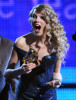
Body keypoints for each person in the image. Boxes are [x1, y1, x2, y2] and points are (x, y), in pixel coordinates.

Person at [4, 4, 69, 100]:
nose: (36, 20)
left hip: (48, 96)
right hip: (24, 96)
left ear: (49, 22)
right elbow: (7, 73)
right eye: (34, 17)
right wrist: (21, 70)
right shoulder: (21, 42)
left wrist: (57, 82)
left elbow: (56, 72)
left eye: (41, 17)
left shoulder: (56, 44)